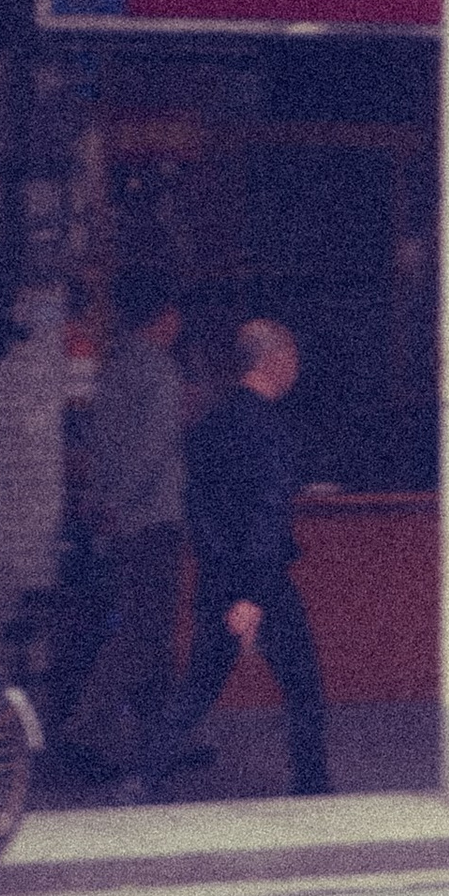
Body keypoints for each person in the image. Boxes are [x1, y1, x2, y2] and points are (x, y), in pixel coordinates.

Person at [146, 316, 330, 798]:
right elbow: (267, 514)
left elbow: (200, 510)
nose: (296, 367)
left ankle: (146, 772)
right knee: (303, 687)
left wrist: (223, 580)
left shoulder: (209, 424)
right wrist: (251, 595)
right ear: (272, 361)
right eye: (291, 356)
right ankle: (313, 788)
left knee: (200, 682)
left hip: (217, 575)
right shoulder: (271, 431)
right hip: (262, 582)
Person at [50, 267, 187, 785]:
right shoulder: (158, 371)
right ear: (166, 318)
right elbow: (153, 452)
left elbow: (98, 443)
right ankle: (84, 732)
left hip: (120, 517)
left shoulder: (114, 365)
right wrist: (126, 505)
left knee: (147, 630)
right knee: (143, 633)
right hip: (151, 519)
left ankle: (168, 737)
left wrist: (104, 502)